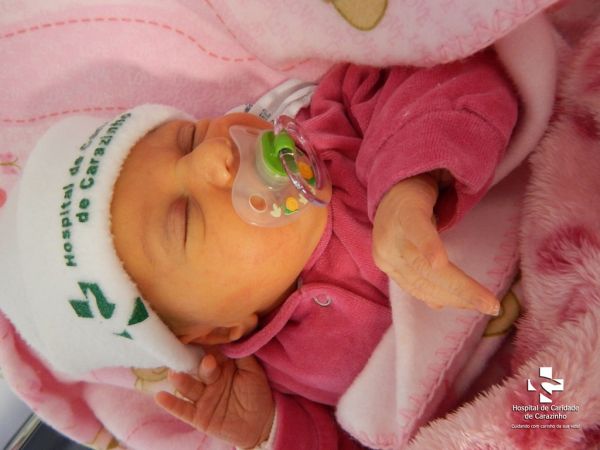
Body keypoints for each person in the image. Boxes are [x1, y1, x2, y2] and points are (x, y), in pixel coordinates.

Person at [0, 50, 517, 449]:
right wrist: (269, 427)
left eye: (188, 138)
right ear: (219, 330)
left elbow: (458, 79)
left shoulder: (339, 122)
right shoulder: (283, 375)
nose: (214, 158)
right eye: (185, 218)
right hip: (522, 398)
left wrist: (408, 187)